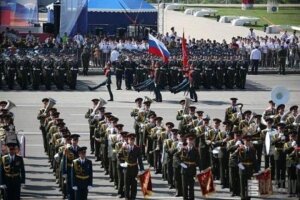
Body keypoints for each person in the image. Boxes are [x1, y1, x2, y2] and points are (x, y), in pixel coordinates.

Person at [119, 133, 144, 200]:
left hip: (134, 168)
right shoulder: (124, 147)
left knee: (134, 184)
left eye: (132, 140)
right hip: (127, 168)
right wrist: (122, 164)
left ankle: (133, 197)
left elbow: (140, 159)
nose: (131, 141)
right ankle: (127, 197)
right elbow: (119, 156)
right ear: (128, 140)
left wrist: (141, 169)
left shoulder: (137, 148)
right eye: (130, 140)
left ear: (134, 140)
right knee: (126, 184)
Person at [175, 133, 200, 200]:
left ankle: (191, 198)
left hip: (192, 169)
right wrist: (181, 163)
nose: (190, 141)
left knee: (191, 186)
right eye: (189, 140)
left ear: (193, 141)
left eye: (191, 140)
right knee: (184, 186)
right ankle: (185, 198)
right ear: (186, 140)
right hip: (184, 169)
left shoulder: (196, 150)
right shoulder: (183, 148)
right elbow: (176, 156)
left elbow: (198, 159)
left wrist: (197, 165)